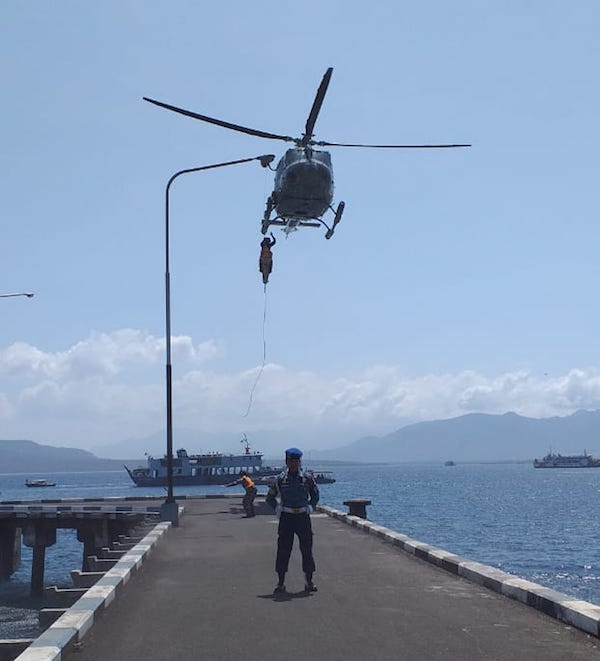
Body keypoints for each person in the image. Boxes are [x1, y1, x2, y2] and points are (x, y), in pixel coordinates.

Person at [266, 447, 319, 594]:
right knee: (283, 550)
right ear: (286, 462)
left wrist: (311, 506)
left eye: (296, 461)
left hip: (303, 517)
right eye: (291, 461)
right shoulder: (280, 480)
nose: (294, 464)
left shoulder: (307, 478)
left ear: (300, 461)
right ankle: (280, 583)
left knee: (307, 550)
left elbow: (315, 495)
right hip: (287, 517)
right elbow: (269, 498)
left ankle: (309, 582)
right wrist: (277, 508)